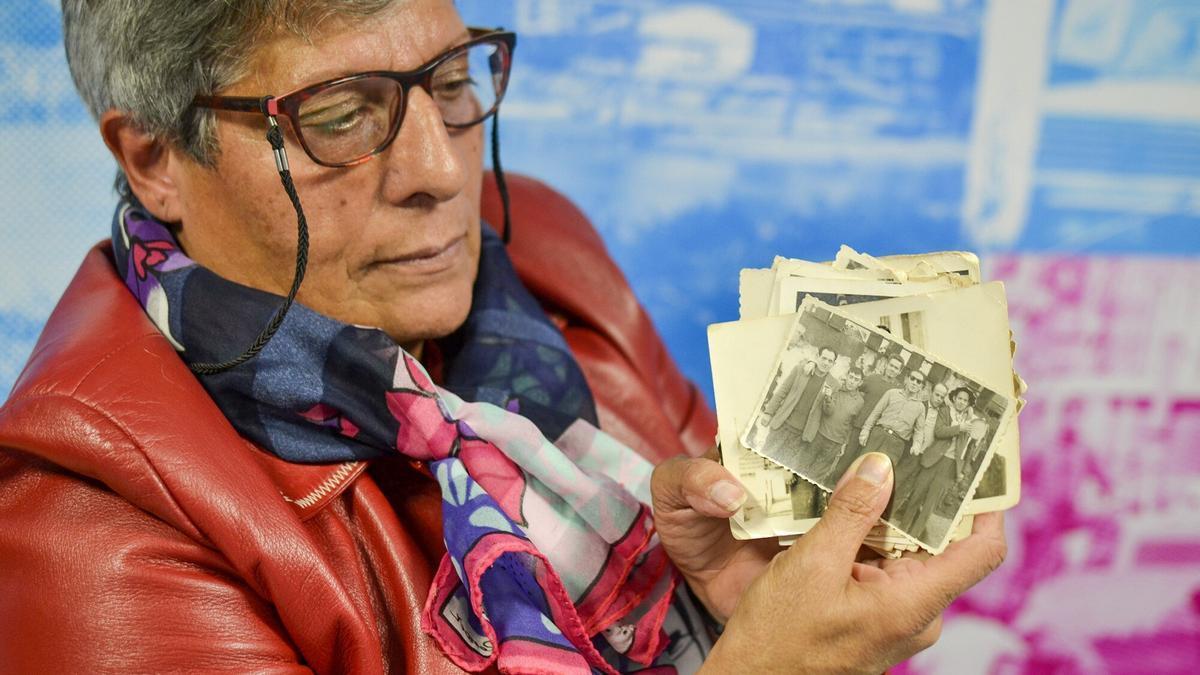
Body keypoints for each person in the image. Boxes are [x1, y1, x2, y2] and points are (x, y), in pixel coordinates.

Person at [0, 1, 1006, 672]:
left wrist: (735, 603)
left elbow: (751, 565)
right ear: (154, 158)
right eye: (343, 117)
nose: (441, 171)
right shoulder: (81, 535)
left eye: (449, 82)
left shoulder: (545, 248)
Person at [757, 346, 839, 470]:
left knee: (782, 467)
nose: (826, 363)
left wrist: (828, 398)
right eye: (824, 358)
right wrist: (769, 412)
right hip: (782, 424)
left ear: (834, 364)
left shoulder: (834, 384)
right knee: (764, 459)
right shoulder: (801, 369)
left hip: (801, 435)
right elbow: (782, 391)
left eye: (830, 361)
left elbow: (830, 412)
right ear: (817, 357)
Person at [858, 369, 929, 471]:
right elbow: (876, 413)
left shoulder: (920, 407)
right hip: (878, 435)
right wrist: (865, 430)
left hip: (896, 444)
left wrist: (917, 445)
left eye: (918, 382)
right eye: (912, 378)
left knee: (879, 474)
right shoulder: (891, 393)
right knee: (862, 467)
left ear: (921, 387)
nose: (914, 383)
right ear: (906, 379)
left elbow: (919, 430)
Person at [812, 367, 866, 485]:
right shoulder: (836, 388)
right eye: (851, 377)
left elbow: (852, 424)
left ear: (860, 383)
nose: (852, 381)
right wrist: (829, 398)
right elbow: (827, 410)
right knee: (805, 463)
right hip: (819, 433)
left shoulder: (860, 402)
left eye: (856, 379)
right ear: (846, 376)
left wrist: (844, 443)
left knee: (819, 472)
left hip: (835, 442)